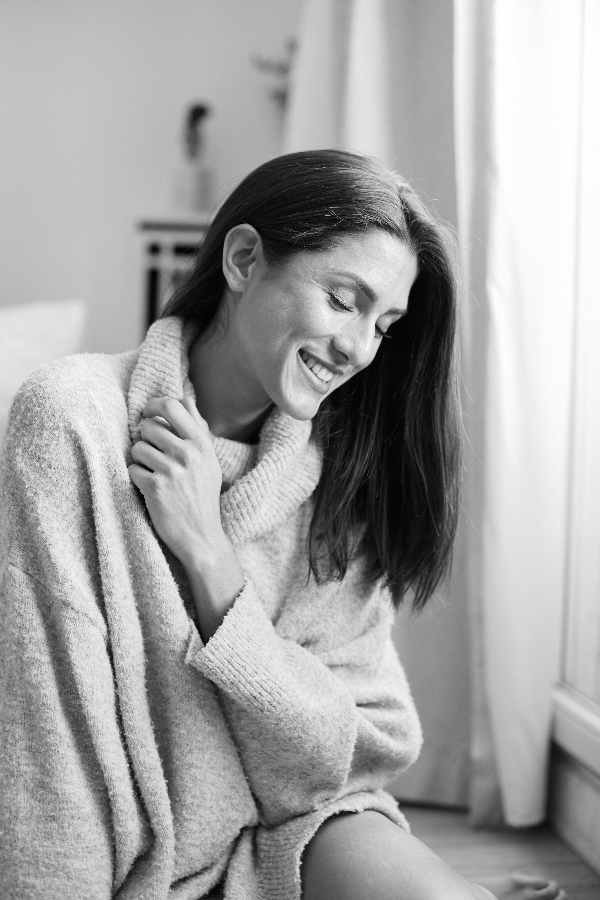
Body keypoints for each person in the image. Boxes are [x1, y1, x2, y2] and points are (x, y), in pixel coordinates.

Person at [0, 150, 565, 900]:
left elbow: (340, 757)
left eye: (384, 325)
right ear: (243, 260)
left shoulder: (342, 475)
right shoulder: (72, 418)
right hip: (135, 851)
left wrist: (211, 555)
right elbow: (47, 731)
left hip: (299, 824)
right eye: (342, 299)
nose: (359, 349)